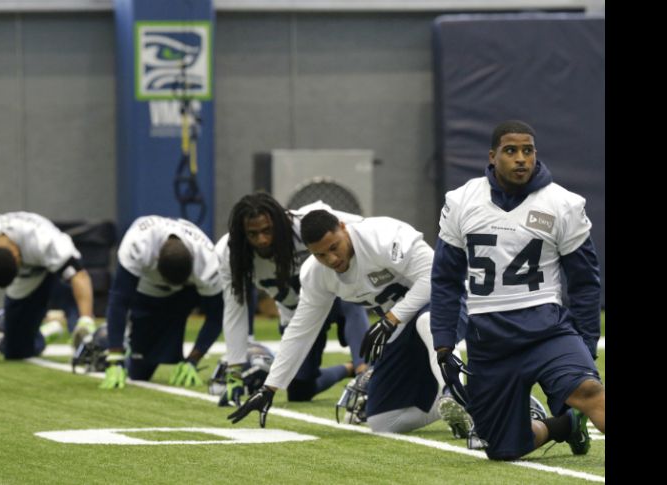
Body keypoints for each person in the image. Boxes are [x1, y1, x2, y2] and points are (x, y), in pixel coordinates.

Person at [430, 120, 605, 460]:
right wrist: (443, 341)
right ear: (493, 156)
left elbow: (584, 283)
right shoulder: (462, 200)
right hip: (490, 341)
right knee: (502, 448)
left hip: (546, 330)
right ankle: (565, 426)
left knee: (589, 390)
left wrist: (585, 343)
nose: (521, 159)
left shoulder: (562, 203)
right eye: (511, 151)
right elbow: (445, 279)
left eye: (528, 150)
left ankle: (575, 409)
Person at [228, 209, 471, 436]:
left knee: (427, 320)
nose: (332, 258)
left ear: (343, 227)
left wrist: (392, 318)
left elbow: (436, 277)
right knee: (383, 421)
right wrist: (269, 388)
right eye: (321, 254)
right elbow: (300, 331)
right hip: (400, 327)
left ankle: (457, 394)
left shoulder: (382, 237)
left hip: (450, 301)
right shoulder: (316, 274)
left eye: (335, 247)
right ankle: (452, 405)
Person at [216, 193, 371, 406]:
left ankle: (365, 376)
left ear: (279, 223)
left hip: (337, 297)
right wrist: (234, 375)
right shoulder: (231, 253)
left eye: (267, 230)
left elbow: (364, 228)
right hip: (298, 314)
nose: (262, 239)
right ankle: (350, 368)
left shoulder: (304, 225)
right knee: (299, 392)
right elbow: (235, 310)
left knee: (349, 298)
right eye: (253, 234)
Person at [98, 215, 223, 389]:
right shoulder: (139, 243)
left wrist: (193, 359)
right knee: (139, 373)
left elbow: (216, 316)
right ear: (156, 259)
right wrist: (115, 357)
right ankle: (107, 339)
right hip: (147, 294)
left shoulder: (208, 262)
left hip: (186, 296)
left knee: (227, 297)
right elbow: (119, 299)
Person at [0, 212, 95, 366]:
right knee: (15, 351)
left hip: (56, 269)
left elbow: (79, 275)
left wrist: (86, 319)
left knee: (76, 307)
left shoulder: (44, 240)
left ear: (17, 256)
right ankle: (42, 335)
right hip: (28, 279)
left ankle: (87, 343)